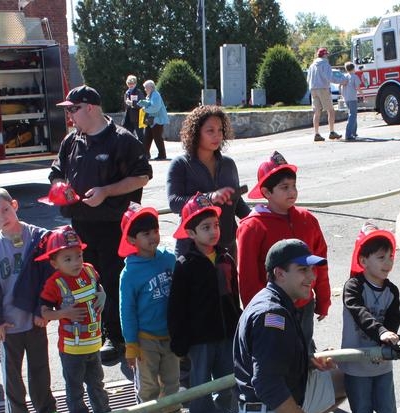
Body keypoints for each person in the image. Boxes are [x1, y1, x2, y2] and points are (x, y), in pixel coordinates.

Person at [218, 239, 358, 413]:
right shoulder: (272, 315)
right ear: (279, 273)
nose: (311, 277)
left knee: (349, 377)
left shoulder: (279, 300)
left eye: (312, 270)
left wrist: (305, 361)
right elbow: (268, 387)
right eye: (303, 270)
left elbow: (269, 360)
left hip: (285, 400)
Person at [49, 85, 152, 364]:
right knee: (88, 282)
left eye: (73, 109)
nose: (70, 115)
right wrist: (62, 188)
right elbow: (56, 174)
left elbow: (142, 176)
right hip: (81, 225)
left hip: (114, 225)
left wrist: (106, 191)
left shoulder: (123, 140)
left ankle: (117, 337)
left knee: (113, 280)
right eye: (68, 110)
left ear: (90, 108)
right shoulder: (72, 141)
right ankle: (96, 333)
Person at [0, 187, 62, 413]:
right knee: (12, 372)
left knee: (40, 367)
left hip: (35, 318)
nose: (2, 217)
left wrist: (43, 309)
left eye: (5, 210)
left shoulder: (40, 238)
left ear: (15, 205)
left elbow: (50, 277)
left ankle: (46, 409)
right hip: (8, 323)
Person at [168, 193, 242, 413]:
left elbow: (234, 294)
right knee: (199, 386)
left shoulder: (226, 258)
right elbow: (177, 307)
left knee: (226, 383)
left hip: (227, 334)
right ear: (190, 233)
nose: (213, 232)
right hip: (199, 339)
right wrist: (179, 342)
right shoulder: (185, 265)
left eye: (216, 225)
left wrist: (239, 326)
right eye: (205, 227)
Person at [236, 151, 330, 347]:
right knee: (276, 353)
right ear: (267, 193)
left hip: (304, 304)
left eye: (294, 186)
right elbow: (247, 276)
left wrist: (323, 297)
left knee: (304, 353)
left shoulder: (308, 220)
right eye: (284, 187)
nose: (292, 192)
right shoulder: (252, 226)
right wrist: (256, 311)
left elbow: (320, 260)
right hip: (272, 310)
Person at [118, 203, 191, 413]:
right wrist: (131, 344)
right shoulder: (129, 274)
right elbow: (126, 311)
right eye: (145, 234)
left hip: (169, 334)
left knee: (171, 379)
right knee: (148, 385)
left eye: (155, 230)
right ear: (131, 239)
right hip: (145, 338)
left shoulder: (168, 259)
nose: (153, 237)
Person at [39, 225, 110, 413]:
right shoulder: (55, 284)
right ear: (54, 263)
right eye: (67, 259)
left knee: (97, 381)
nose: (76, 262)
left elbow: (98, 287)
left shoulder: (89, 270)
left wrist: (102, 295)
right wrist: (64, 313)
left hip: (93, 343)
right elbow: (44, 313)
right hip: (72, 348)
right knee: (75, 387)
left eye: (78, 255)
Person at [341, 223, 400, 413]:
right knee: (362, 411)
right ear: (363, 260)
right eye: (380, 257)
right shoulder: (354, 287)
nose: (387, 262)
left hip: (382, 364)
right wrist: (382, 334)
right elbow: (361, 314)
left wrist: (393, 339)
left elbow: (393, 321)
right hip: (357, 364)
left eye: (390, 257)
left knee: (387, 408)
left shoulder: (391, 291)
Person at [166, 105, 251, 259]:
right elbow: (174, 203)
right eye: (210, 130)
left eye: (220, 130)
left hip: (226, 249)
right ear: (195, 133)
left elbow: (237, 203)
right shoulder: (180, 164)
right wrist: (210, 198)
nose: (217, 135)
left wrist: (256, 218)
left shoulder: (228, 164)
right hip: (191, 251)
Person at [306, 48, 340, 142]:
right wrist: (341, 81)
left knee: (317, 112)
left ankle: (316, 134)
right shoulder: (325, 64)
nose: (327, 56)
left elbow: (308, 79)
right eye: (326, 54)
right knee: (331, 110)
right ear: (324, 55)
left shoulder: (312, 65)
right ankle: (332, 132)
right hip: (323, 88)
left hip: (313, 89)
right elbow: (329, 77)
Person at [136, 79, 169, 161]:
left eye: (146, 87)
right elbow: (150, 104)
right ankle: (145, 154)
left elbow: (155, 107)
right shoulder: (150, 95)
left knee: (157, 137)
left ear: (151, 87)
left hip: (157, 120)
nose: (145, 89)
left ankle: (162, 155)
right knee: (147, 137)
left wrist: (145, 109)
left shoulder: (156, 95)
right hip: (151, 120)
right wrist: (143, 102)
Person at [339, 61, 364, 141]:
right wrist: (362, 94)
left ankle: (354, 132)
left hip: (346, 98)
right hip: (352, 98)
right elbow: (357, 87)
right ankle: (348, 134)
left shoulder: (344, 77)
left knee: (352, 114)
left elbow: (340, 86)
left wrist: (342, 95)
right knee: (353, 115)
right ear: (353, 68)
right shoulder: (355, 77)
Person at [122, 74, 145, 141]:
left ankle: (144, 150)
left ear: (135, 83)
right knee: (127, 135)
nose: (130, 85)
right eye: (129, 83)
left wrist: (132, 103)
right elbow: (125, 106)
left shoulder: (138, 92)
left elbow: (142, 104)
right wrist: (127, 104)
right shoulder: (127, 92)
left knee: (140, 136)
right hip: (128, 117)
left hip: (137, 117)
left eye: (132, 83)